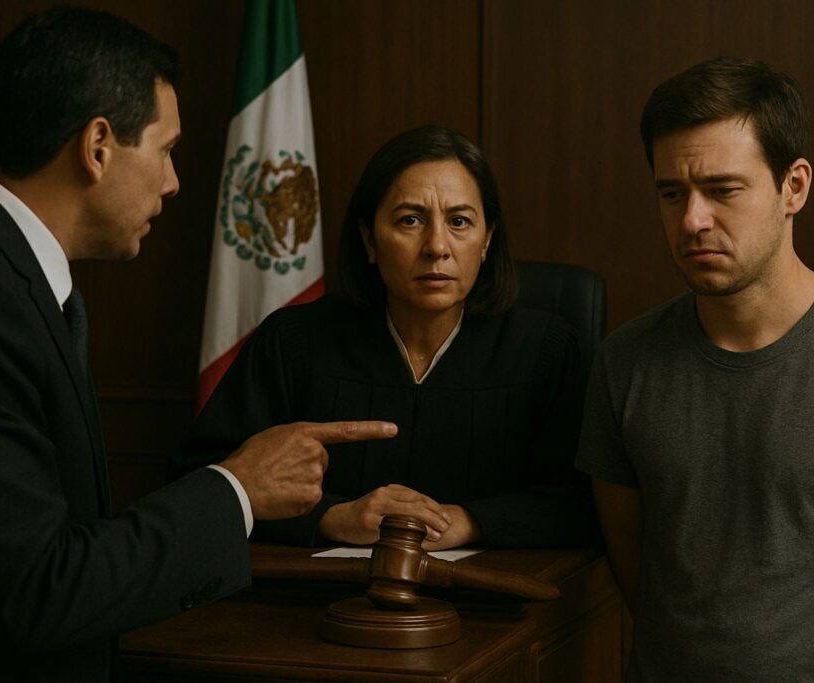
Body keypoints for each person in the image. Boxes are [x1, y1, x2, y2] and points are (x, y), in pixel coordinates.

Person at [0, 8, 394, 680]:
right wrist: (238, 488)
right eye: (166, 149)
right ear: (98, 146)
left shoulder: (5, 274)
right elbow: (34, 590)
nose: (173, 181)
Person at [576, 56, 814, 682]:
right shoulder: (626, 361)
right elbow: (631, 556)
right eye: (672, 194)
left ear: (793, 187)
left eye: (723, 190)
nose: (692, 220)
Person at [172, 125, 594, 550]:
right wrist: (332, 517)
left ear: (487, 240)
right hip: (318, 586)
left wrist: (466, 522)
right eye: (410, 220)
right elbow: (207, 482)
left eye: (459, 221)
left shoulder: (547, 351)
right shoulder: (293, 342)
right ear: (369, 239)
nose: (436, 246)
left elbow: (581, 504)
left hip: (490, 588)